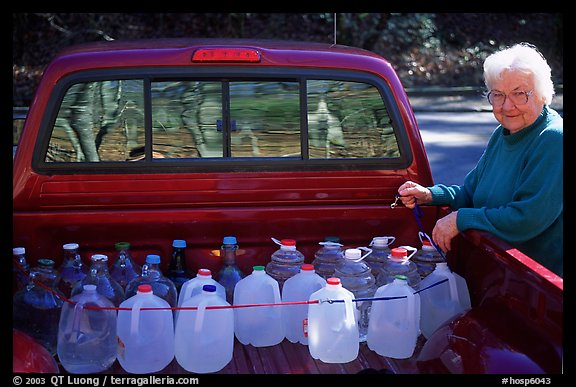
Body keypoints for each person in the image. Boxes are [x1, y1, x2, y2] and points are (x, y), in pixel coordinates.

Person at [397, 43, 563, 277]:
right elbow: (472, 194)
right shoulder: (503, 133)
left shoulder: (553, 139)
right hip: (501, 274)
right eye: (498, 95)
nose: (507, 106)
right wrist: (431, 194)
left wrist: (460, 219)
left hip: (539, 288)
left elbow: (527, 219)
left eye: (519, 93)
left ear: (543, 94)